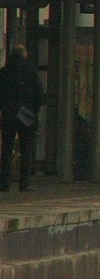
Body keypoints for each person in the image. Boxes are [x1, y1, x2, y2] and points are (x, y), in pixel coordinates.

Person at [0, 44, 45, 192]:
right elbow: (39, 94)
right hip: (27, 115)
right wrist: (34, 110)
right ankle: (24, 183)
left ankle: (5, 183)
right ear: (25, 55)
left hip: (8, 115)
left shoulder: (4, 72)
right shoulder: (30, 71)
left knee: (6, 148)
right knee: (27, 149)